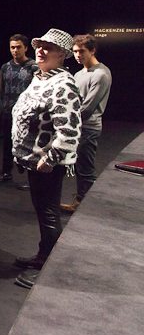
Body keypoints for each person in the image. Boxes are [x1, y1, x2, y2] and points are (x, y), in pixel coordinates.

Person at [11, 28, 82, 289]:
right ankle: (43, 256)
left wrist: (51, 158)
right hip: (34, 161)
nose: (40, 51)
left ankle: (51, 272)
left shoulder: (63, 84)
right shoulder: (41, 78)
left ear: (62, 54)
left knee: (49, 214)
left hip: (46, 165)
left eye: (48, 47)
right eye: (39, 46)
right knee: (44, 213)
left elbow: (70, 130)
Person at [60, 34, 112, 214]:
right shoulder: (79, 74)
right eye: (75, 51)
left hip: (88, 127)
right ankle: (81, 202)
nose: (77, 55)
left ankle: (88, 208)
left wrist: (66, 122)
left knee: (86, 169)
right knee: (79, 167)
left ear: (92, 50)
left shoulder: (101, 74)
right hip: (77, 127)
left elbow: (87, 108)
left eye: (81, 51)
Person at [0, 34, 37, 187]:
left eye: (18, 47)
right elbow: (2, 88)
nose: (15, 50)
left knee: (29, 144)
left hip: (27, 113)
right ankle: (6, 173)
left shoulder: (34, 67)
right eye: (12, 47)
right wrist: (0, 106)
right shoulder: (6, 67)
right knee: (7, 144)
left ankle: (32, 178)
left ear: (26, 48)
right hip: (8, 111)